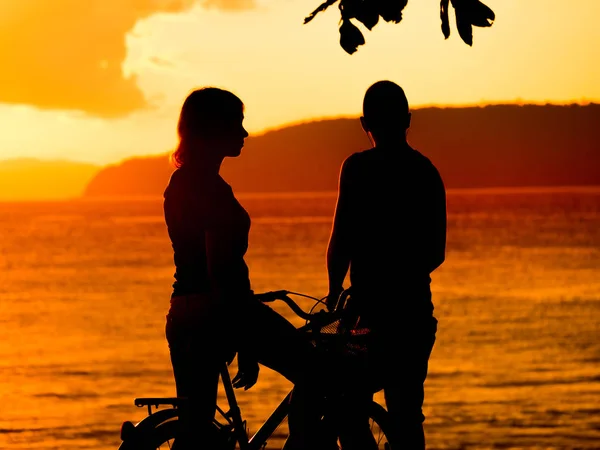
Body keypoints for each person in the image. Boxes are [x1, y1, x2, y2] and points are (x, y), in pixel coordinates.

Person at [163, 87, 327, 450]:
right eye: (236, 123)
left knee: (196, 428)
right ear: (213, 129)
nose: (244, 133)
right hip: (221, 311)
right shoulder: (212, 190)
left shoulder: (179, 183)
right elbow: (219, 269)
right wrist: (244, 339)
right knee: (317, 374)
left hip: (183, 312)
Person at [325, 80, 447, 449]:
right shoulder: (426, 172)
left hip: (366, 314)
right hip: (413, 313)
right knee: (407, 413)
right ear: (408, 119)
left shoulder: (357, 168)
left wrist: (334, 291)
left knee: (349, 405)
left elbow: (340, 238)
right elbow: (435, 253)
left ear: (365, 123)